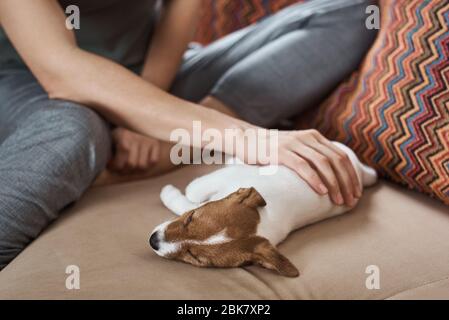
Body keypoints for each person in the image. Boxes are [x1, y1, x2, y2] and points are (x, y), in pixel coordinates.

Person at [0, 0, 377, 269]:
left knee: (347, 14)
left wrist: (149, 110)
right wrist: (250, 138)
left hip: (155, 73)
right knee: (74, 131)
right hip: (32, 81)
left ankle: (177, 141)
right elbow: (61, 70)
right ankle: (167, 133)